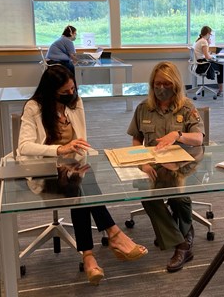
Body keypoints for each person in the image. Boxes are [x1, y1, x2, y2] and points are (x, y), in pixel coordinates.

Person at [17, 64, 147, 285]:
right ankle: (113, 235)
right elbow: (24, 147)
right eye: (65, 92)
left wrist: (76, 153)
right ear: (51, 91)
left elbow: (82, 138)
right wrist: (60, 149)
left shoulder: (76, 104)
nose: (71, 94)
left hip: (75, 167)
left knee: (81, 183)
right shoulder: (34, 107)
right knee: (83, 183)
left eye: (73, 89)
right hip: (45, 170)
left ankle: (89, 256)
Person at [127, 61, 205, 272]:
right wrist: (142, 162)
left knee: (178, 193)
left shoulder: (187, 107)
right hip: (156, 161)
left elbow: (198, 138)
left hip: (185, 161)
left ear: (175, 84)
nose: (161, 88)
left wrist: (177, 135)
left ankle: (181, 242)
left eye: (166, 84)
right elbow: (136, 139)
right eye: (157, 84)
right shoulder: (144, 108)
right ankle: (182, 241)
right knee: (147, 195)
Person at [193, 26, 224, 96]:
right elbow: (207, 56)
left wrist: (211, 52)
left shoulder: (199, 41)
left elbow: (204, 54)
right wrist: (213, 56)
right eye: (210, 35)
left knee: (221, 66)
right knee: (222, 66)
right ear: (208, 33)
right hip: (203, 65)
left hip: (201, 63)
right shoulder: (204, 41)